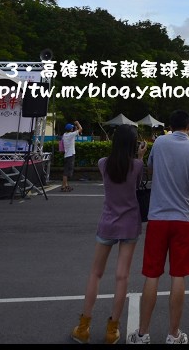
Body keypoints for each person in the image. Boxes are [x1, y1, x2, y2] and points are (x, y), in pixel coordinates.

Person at [128, 110, 189, 345]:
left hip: (157, 217)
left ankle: (142, 334)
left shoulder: (159, 143)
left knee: (152, 275)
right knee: (178, 275)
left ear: (170, 125)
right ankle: (173, 334)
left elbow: (151, 169)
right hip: (182, 220)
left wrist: (141, 153)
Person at [71, 125, 147, 344]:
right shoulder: (137, 165)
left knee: (95, 273)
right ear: (134, 145)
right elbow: (138, 179)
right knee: (122, 276)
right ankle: (112, 329)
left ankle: (84, 327)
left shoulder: (103, 163)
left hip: (107, 223)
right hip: (130, 224)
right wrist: (140, 155)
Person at [62, 120, 82, 192]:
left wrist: (75, 129)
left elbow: (75, 132)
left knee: (66, 170)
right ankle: (64, 186)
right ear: (70, 129)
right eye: (72, 128)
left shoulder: (65, 135)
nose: (73, 129)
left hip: (67, 154)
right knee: (66, 172)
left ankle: (66, 185)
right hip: (70, 155)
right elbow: (80, 129)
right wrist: (77, 123)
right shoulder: (70, 135)